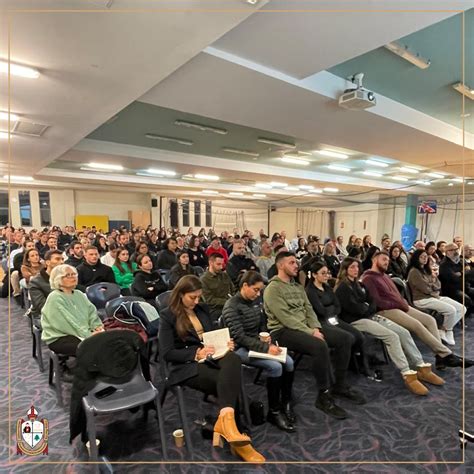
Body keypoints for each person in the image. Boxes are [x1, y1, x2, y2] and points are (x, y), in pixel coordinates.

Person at [159, 275, 264, 463]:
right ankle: (237, 434)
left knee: (233, 358)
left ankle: (227, 424)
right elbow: (167, 353)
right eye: (192, 297)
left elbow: (210, 335)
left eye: (199, 296)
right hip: (186, 364)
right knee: (227, 379)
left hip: (210, 356)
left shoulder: (202, 309)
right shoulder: (168, 315)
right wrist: (195, 354)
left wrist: (225, 342)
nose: (196, 301)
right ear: (181, 294)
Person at [264, 252, 365, 420]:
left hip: (305, 327)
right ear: (280, 265)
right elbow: (285, 318)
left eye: (296, 262)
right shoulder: (272, 289)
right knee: (319, 345)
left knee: (345, 338)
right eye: (291, 263)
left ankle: (339, 385)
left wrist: (316, 328)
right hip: (282, 331)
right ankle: (323, 395)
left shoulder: (297, 287)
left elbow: (309, 310)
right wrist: (311, 332)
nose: (296, 265)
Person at [335, 257, 444, 395]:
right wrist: (367, 308)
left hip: (369, 315)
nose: (356, 269)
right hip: (355, 321)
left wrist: (367, 307)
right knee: (391, 336)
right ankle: (406, 372)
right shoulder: (342, 287)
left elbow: (372, 301)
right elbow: (354, 308)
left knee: (403, 332)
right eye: (352, 267)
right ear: (345, 269)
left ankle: (420, 365)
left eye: (357, 266)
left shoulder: (359, 284)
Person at [361, 251, 471, 370]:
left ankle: (440, 357)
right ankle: (446, 355)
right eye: (383, 259)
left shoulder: (385, 276)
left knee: (430, 320)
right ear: (374, 260)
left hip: (399, 306)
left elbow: (397, 296)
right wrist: (400, 304)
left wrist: (402, 303)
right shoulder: (368, 278)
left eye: (387, 260)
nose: (386, 262)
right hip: (385, 310)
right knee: (417, 325)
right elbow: (377, 302)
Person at [222, 271, 296, 433]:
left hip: (255, 343)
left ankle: (285, 402)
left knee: (289, 362)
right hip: (239, 348)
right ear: (245, 286)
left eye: (260, 290)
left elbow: (262, 324)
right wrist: (266, 348)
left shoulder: (255, 301)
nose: (258, 294)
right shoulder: (231, 306)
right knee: (275, 367)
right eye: (255, 290)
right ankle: (274, 412)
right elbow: (239, 337)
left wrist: (266, 337)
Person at [305, 261, 372, 378]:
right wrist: (331, 308)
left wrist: (330, 309)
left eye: (327, 273)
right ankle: (340, 371)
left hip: (333, 319)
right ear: (314, 275)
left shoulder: (327, 287)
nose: (327, 276)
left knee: (359, 336)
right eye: (323, 273)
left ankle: (352, 361)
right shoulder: (310, 291)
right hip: (320, 322)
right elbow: (320, 311)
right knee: (348, 338)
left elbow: (338, 306)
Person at [41, 264, 104, 356]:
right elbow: (67, 322)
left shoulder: (79, 294)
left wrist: (96, 326)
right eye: (68, 275)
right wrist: (89, 335)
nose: (73, 277)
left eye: (74, 274)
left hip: (82, 332)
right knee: (91, 347)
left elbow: (91, 312)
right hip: (61, 336)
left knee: (106, 342)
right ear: (58, 279)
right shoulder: (55, 297)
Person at [407, 249, 465, 346]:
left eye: (426, 257)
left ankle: (444, 329)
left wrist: (432, 285)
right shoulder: (414, 272)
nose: (424, 259)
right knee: (451, 310)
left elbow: (438, 285)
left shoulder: (426, 269)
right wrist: (433, 286)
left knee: (462, 308)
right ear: (416, 258)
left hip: (433, 296)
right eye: (422, 257)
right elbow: (425, 289)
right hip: (421, 299)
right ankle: (448, 330)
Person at [29, 250, 65, 322]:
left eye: (62, 259)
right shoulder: (35, 282)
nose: (62, 262)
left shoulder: (66, 277)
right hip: (44, 315)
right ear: (48, 262)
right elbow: (42, 306)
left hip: (65, 311)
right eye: (57, 259)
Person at [200, 253, 233, 322]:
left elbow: (233, 289)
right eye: (218, 264)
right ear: (210, 263)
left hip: (229, 305)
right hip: (215, 309)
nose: (221, 267)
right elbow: (209, 300)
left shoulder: (224, 275)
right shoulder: (204, 280)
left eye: (222, 264)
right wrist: (227, 302)